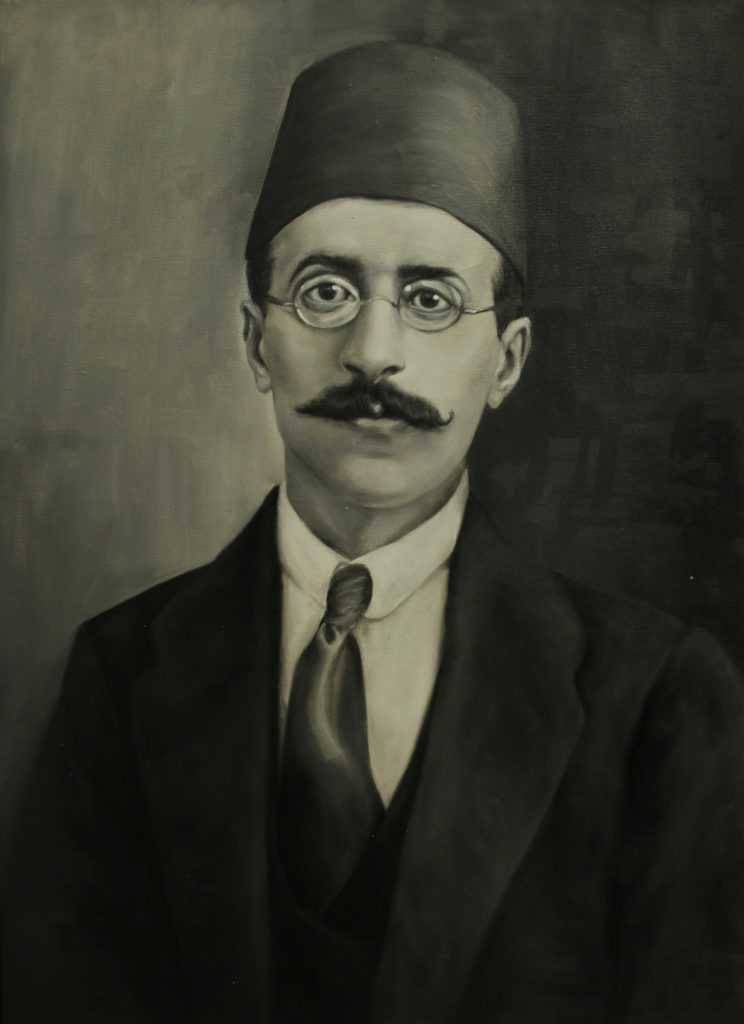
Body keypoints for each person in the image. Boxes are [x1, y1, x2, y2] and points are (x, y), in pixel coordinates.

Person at [3, 41, 744, 1024]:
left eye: (431, 299)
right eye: (326, 291)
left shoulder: (658, 699)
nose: (373, 352)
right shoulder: (120, 671)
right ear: (255, 340)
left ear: (507, 360)